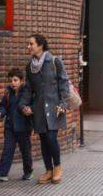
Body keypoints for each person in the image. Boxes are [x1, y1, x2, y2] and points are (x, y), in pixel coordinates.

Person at [20, 34, 70, 185]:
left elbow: (64, 83)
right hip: (39, 109)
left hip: (55, 107)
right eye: (28, 44)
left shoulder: (55, 61)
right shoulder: (29, 67)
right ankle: (48, 170)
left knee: (51, 138)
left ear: (40, 45)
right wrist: (23, 105)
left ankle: (57, 167)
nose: (28, 47)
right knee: (43, 140)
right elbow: (28, 89)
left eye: (31, 44)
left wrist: (64, 103)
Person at [0, 68, 34, 182]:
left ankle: (28, 171)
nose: (13, 83)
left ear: (21, 81)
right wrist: (0, 112)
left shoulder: (26, 93)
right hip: (10, 127)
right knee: (7, 150)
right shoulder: (8, 93)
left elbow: (31, 107)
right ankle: (3, 173)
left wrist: (31, 115)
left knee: (25, 151)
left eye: (15, 80)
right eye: (11, 80)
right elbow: (3, 105)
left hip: (23, 127)